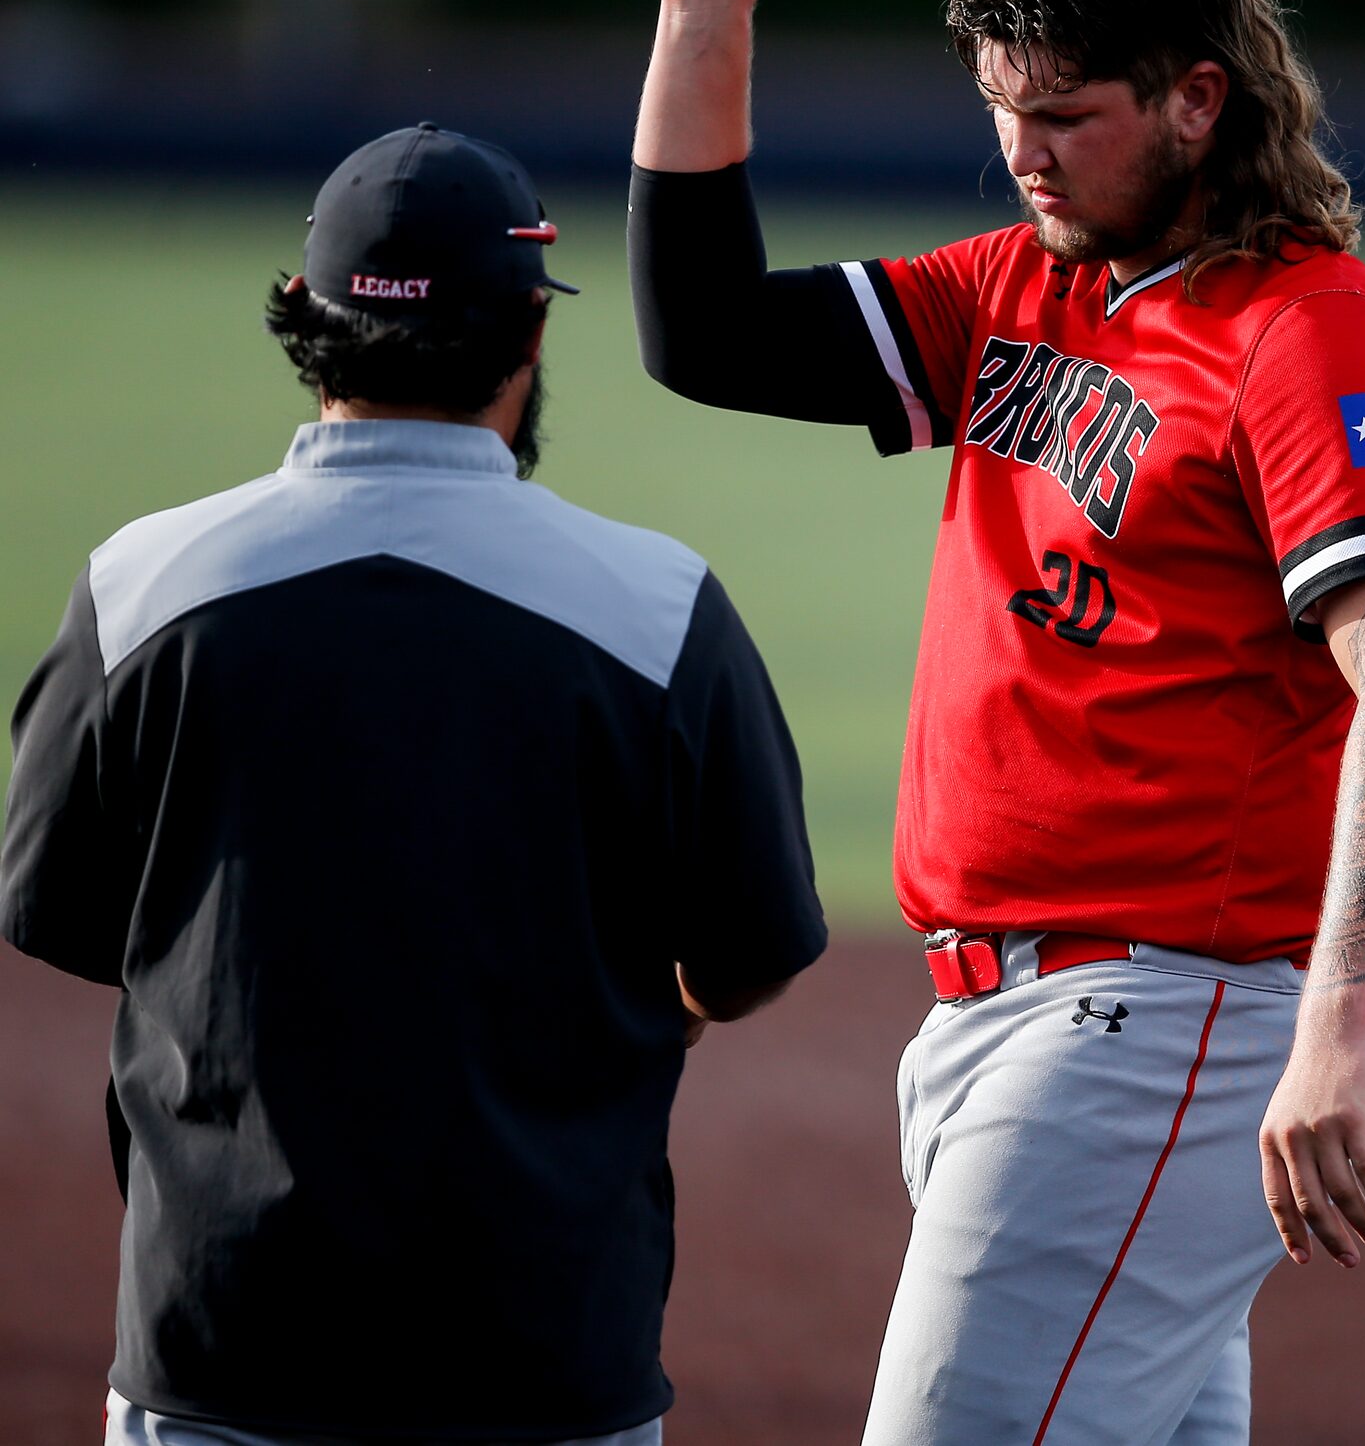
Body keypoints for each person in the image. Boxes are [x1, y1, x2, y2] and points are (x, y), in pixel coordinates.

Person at [627, 0, 1365, 1444]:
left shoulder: (1311, 335)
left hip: (1150, 1029)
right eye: (1003, 109)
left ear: (1195, 99)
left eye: (1067, 117)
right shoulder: (1028, 286)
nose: (1025, 153)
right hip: (1003, 1029)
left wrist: (1344, 1032)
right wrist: (704, 4)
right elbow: (708, 332)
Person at [1, 122, 827, 1446]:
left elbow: (63, 914)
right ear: (528, 336)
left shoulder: (139, 584)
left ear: (302, 320)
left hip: (220, 1348)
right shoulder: (659, 608)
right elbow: (752, 947)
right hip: (545, 1362)